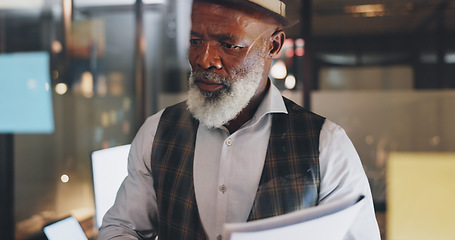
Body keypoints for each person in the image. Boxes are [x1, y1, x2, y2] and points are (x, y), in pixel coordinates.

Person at [98, 0, 381, 239]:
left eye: (228, 44)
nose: (204, 59)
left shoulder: (326, 145)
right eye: (195, 41)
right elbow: (122, 227)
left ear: (273, 46)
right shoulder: (157, 132)